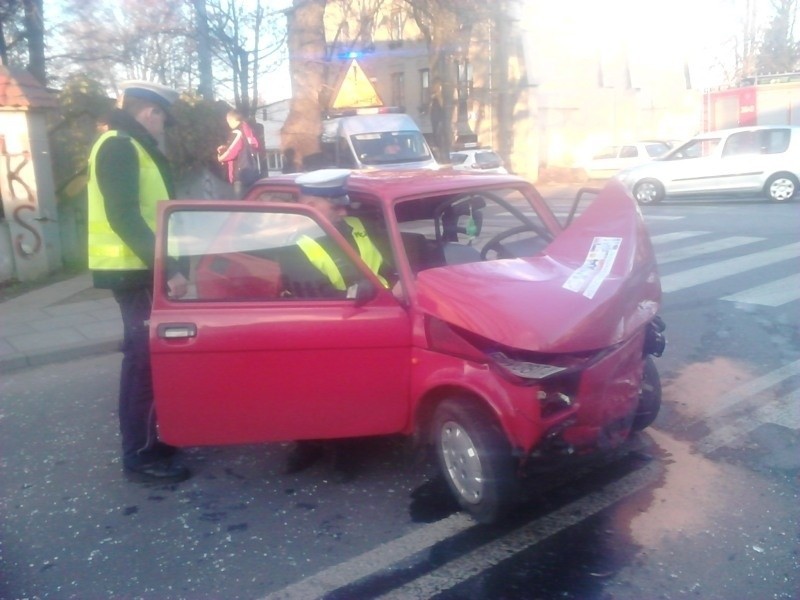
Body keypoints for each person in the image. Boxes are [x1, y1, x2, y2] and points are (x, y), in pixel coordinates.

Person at [87, 80, 191, 483]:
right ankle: (141, 454)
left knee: (147, 360)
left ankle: (153, 440)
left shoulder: (129, 145)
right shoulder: (120, 145)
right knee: (143, 363)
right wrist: (169, 268)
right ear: (150, 112)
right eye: (162, 116)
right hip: (137, 271)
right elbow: (125, 216)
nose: (163, 124)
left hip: (140, 269)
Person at [283, 169, 392, 480]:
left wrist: (392, 287)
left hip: (376, 318)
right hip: (323, 325)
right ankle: (309, 445)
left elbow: (387, 264)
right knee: (312, 390)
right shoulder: (295, 241)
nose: (346, 211)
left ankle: (347, 449)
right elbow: (312, 294)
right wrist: (364, 292)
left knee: (354, 391)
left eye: (344, 204)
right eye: (336, 206)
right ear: (311, 206)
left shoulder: (357, 226)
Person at [217, 109, 260, 197]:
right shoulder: (248, 131)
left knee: (239, 206)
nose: (228, 124)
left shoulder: (237, 132)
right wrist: (226, 147)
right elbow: (246, 147)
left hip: (240, 174)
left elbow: (231, 152)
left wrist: (220, 157)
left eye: (228, 121)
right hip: (251, 173)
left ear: (233, 120)